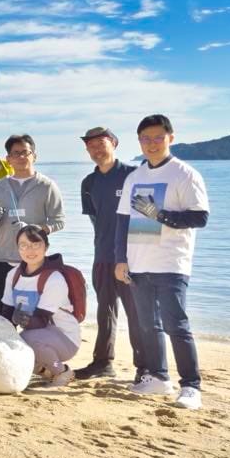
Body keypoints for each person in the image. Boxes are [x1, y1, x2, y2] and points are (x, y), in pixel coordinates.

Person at [115, 114, 209, 410]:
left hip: (171, 263)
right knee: (147, 325)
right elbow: (122, 222)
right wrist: (121, 260)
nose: (152, 144)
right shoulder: (135, 176)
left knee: (176, 324)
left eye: (158, 138)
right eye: (146, 139)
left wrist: (160, 215)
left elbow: (199, 217)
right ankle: (158, 377)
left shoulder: (185, 174)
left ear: (171, 137)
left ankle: (191, 386)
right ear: (139, 142)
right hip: (138, 263)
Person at [77, 126, 144, 380]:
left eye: (100, 142)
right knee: (105, 311)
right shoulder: (89, 182)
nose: (95, 148)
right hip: (102, 255)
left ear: (114, 143)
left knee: (136, 312)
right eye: (90, 145)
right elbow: (96, 219)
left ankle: (145, 366)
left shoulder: (134, 175)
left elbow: (147, 217)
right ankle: (103, 363)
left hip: (133, 259)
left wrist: (128, 255)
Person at [0, 134, 66, 313]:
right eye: (15, 153)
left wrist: (41, 229)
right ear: (8, 159)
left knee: (34, 316)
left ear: (34, 156)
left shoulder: (46, 186)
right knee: (2, 315)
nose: (21, 157)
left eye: (25, 152)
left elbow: (59, 221)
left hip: (33, 260)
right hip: (2, 259)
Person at [0, 225, 79, 387]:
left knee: (26, 340)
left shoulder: (54, 279)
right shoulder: (13, 275)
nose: (30, 250)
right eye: (24, 245)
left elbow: (41, 321)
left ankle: (61, 371)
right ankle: (47, 372)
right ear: (17, 248)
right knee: (8, 344)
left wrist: (20, 319)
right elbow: (5, 313)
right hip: (36, 334)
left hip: (65, 338)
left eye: (36, 244)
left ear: (46, 247)